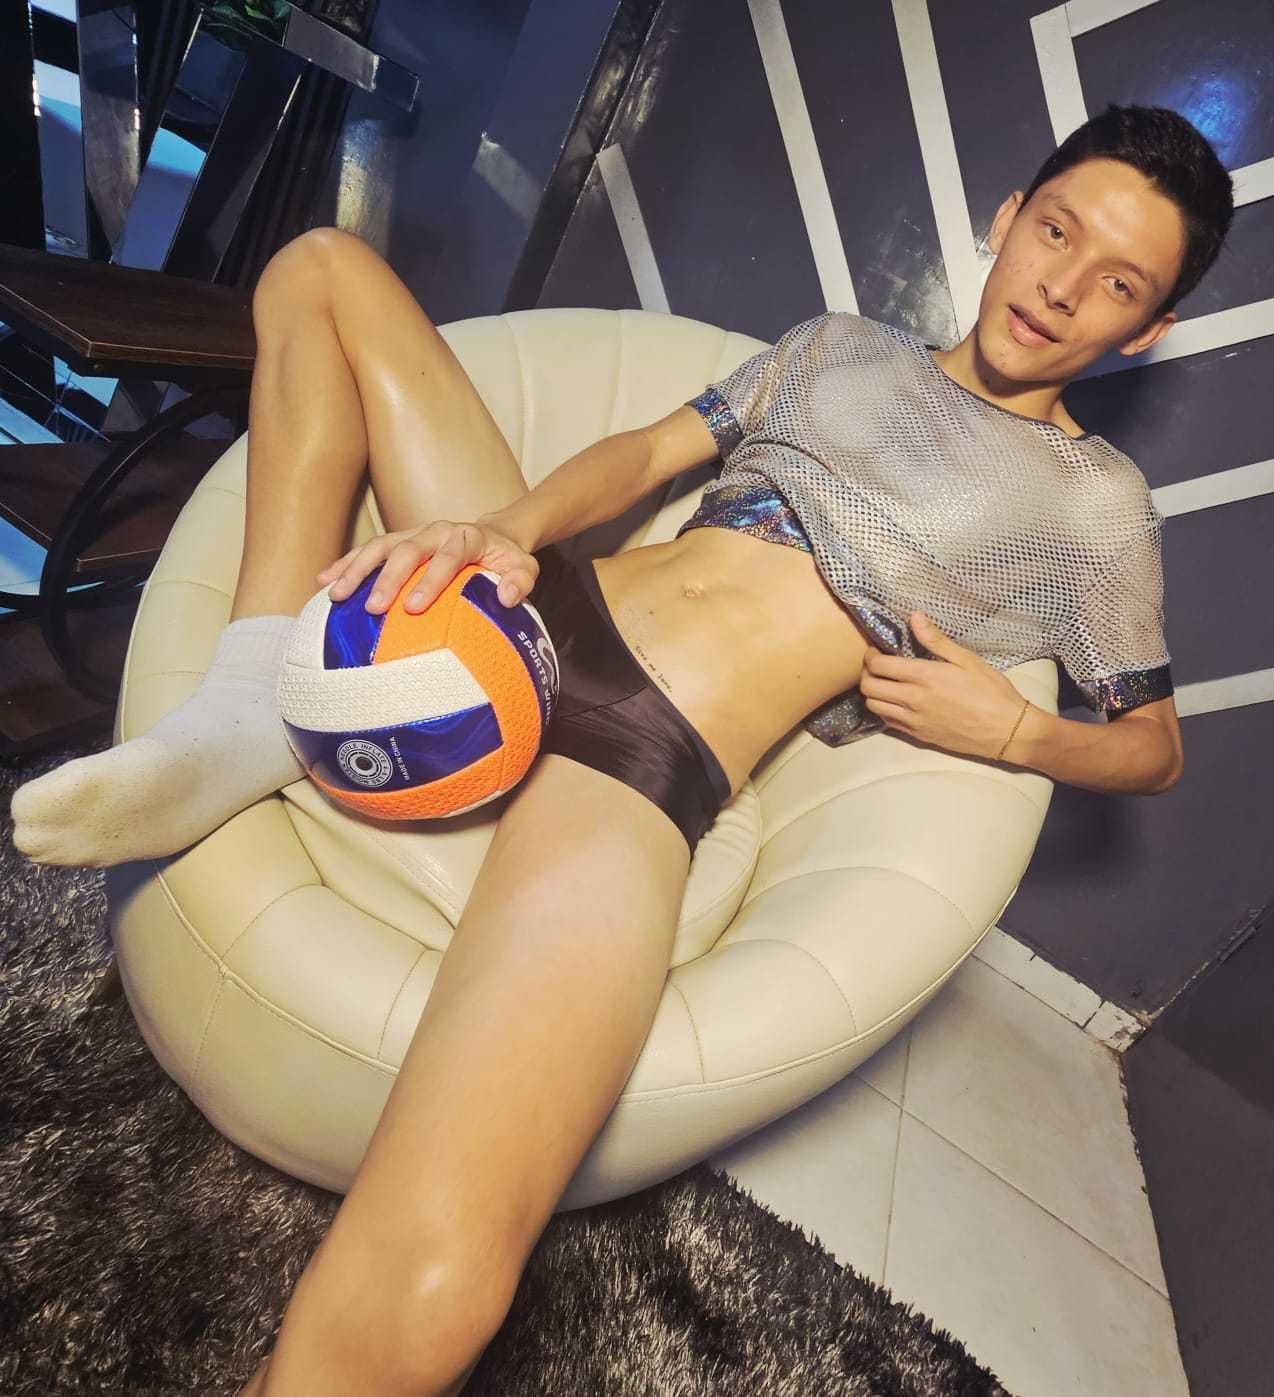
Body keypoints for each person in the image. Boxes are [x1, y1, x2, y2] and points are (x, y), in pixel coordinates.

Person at [10, 101, 1230, 1393]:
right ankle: (251, 697)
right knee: (321, 269)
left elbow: (1152, 748)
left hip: (643, 755)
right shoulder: (836, 348)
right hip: (536, 610)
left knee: (443, 1250)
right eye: (1057, 231)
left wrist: (1020, 728)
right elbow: (651, 451)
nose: (1061, 287)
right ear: (1007, 217)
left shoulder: (1096, 507)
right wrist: (505, 533)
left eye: (1118, 284)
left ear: (1144, 330)